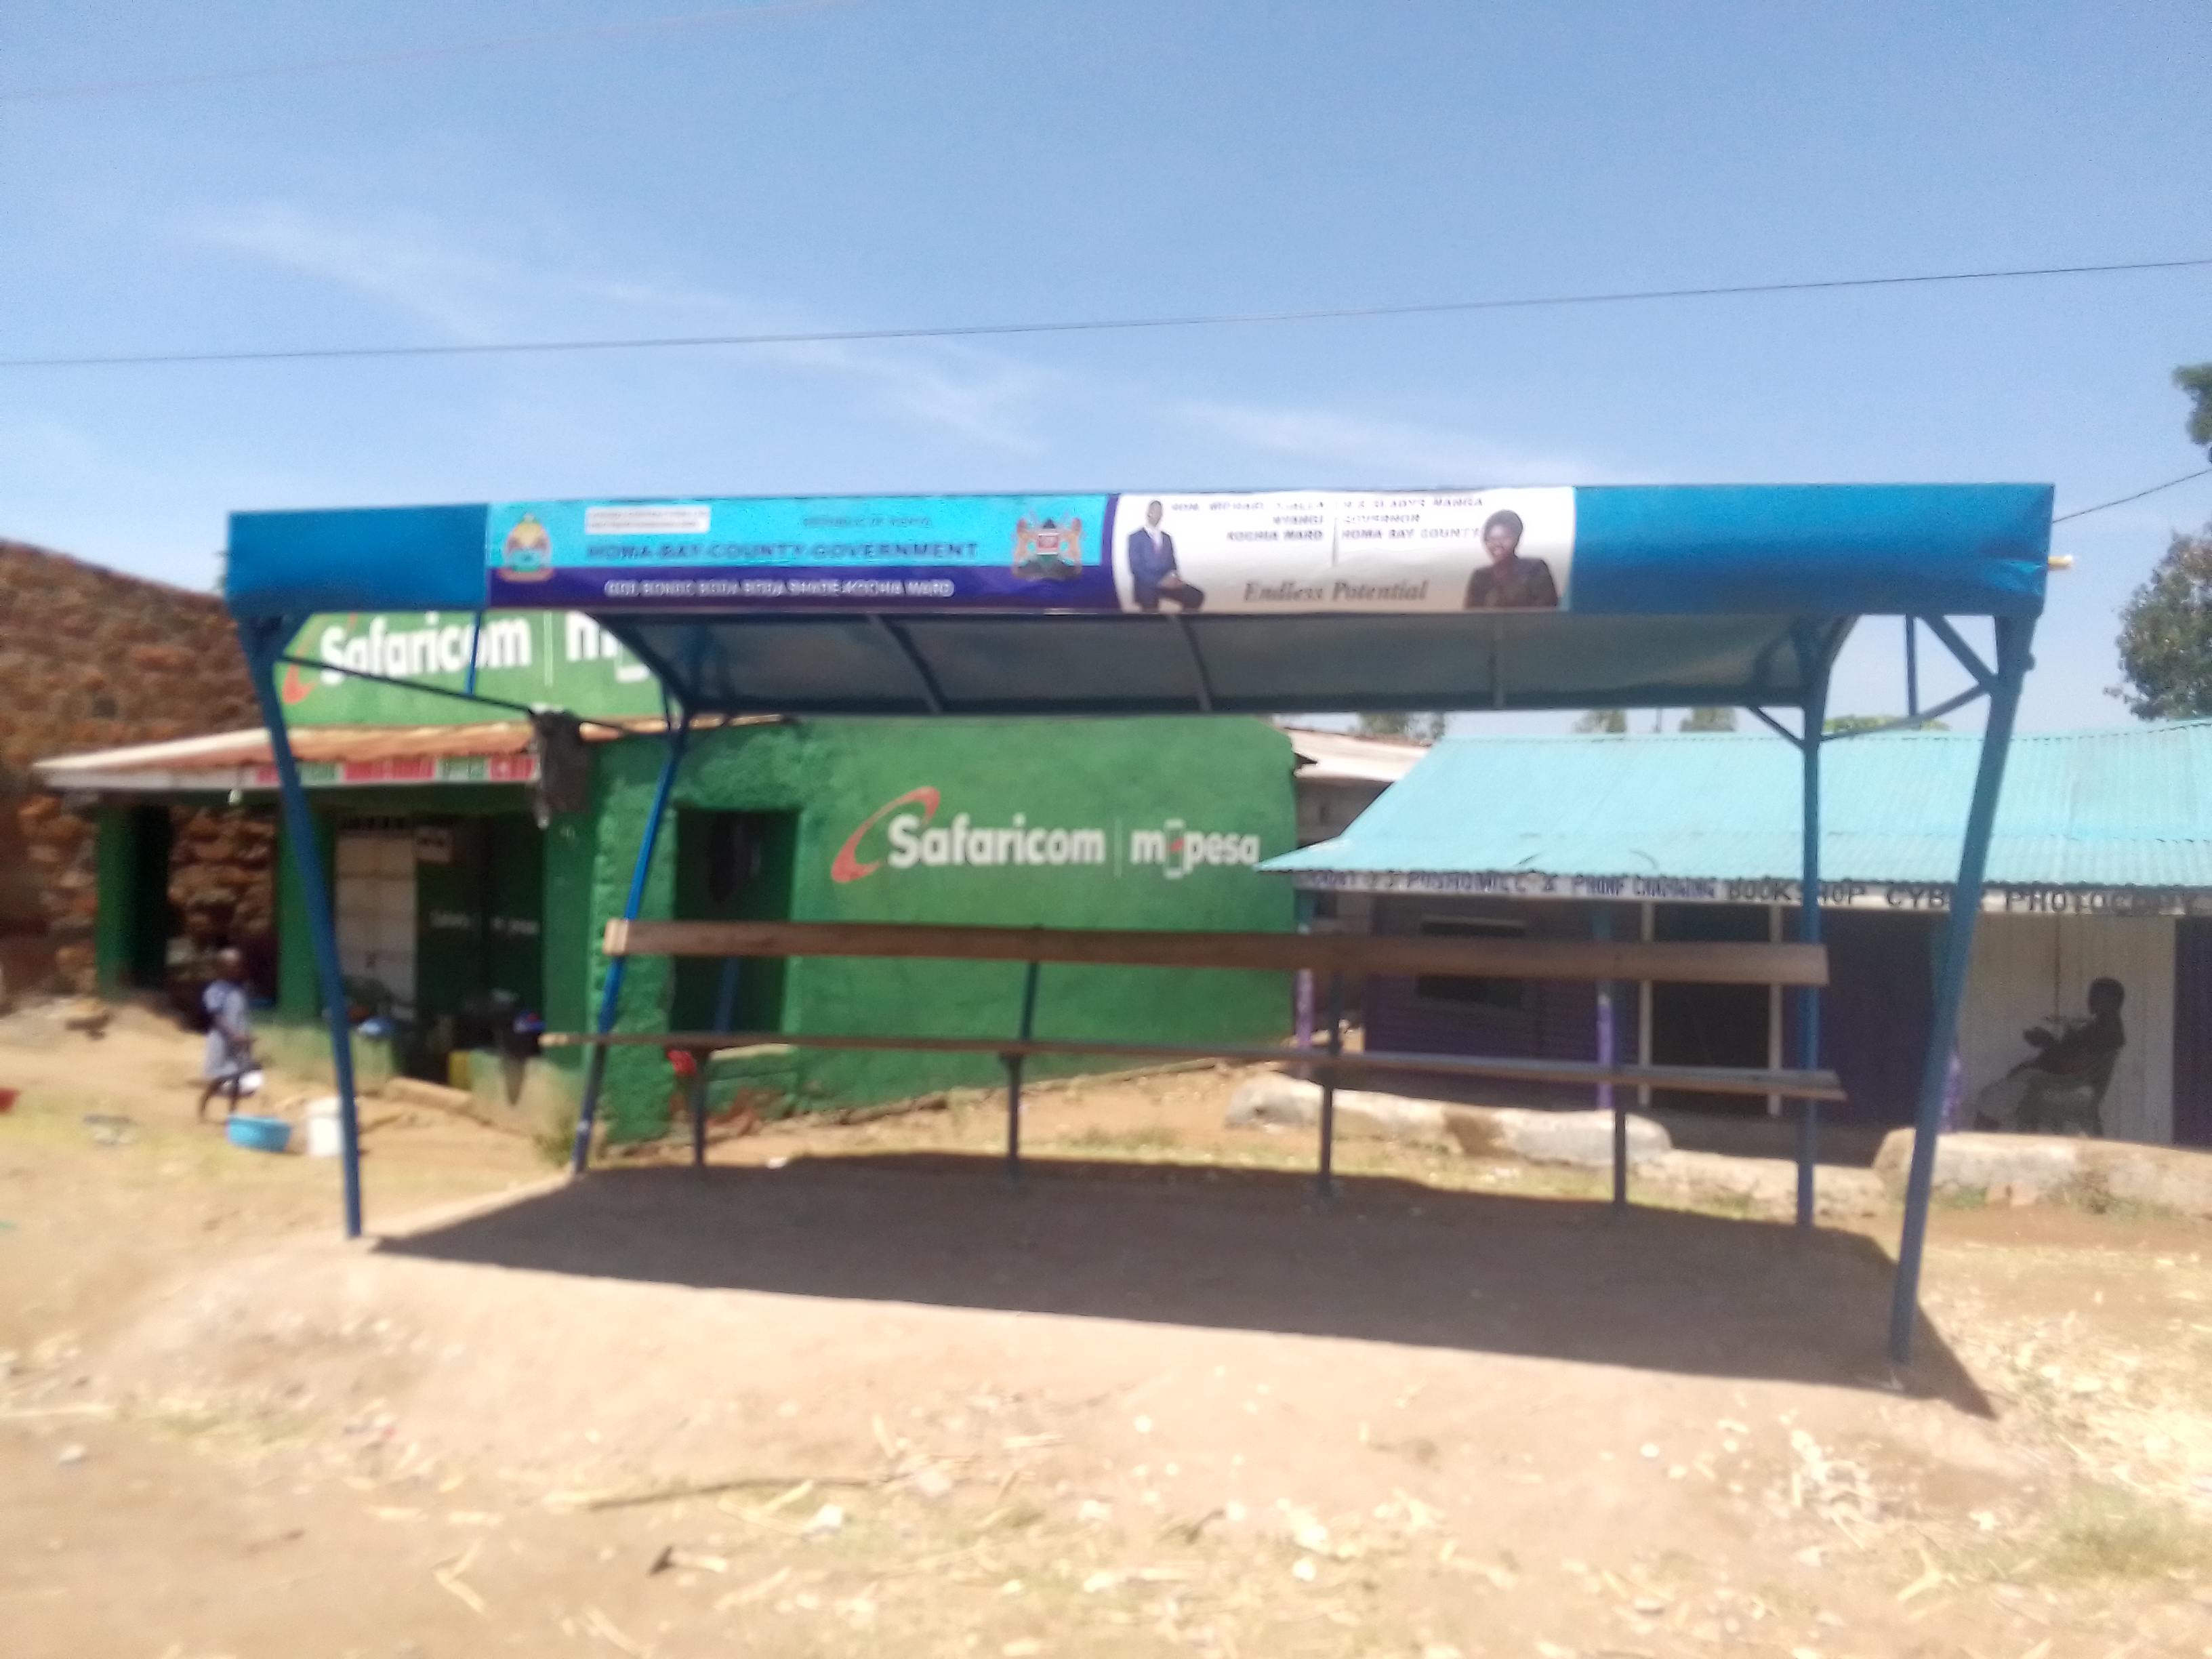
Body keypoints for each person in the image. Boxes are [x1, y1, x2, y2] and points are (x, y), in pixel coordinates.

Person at [1971, 977, 2125, 1135]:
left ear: (2112, 1001)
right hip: (2059, 1079)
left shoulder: (2107, 1032)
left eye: (2096, 996)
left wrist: (2048, 1042)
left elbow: (2071, 1067)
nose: (2090, 1000)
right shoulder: (2101, 1026)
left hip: (2064, 1085)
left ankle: (1979, 1144)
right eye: (2091, 996)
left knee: (1992, 1096)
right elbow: (2070, 1056)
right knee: (2001, 1089)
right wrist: (2042, 1052)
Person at [197, 949, 256, 1122]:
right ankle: (204, 1102)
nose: (237, 970)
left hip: (240, 1037)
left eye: (239, 966)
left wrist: (246, 1036)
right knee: (223, 1075)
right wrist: (234, 1034)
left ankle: (233, 1113)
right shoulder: (215, 990)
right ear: (221, 968)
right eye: (232, 966)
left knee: (238, 1076)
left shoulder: (240, 989)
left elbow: (242, 1015)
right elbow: (216, 1017)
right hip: (223, 1039)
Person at [1461, 509, 1559, 610]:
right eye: (1492, 539)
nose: (1497, 544)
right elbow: (1472, 615)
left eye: (1505, 538)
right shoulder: (1480, 577)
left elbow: (1547, 611)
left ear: (1517, 539)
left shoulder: (1536, 569)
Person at [1126, 500, 1206, 612]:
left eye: (1160, 513)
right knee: (1151, 610)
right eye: (1155, 512)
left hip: (1167, 581)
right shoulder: (1135, 537)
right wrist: (1159, 582)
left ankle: (1178, 622)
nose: (1158, 515)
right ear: (1148, 513)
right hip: (1147, 584)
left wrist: (1173, 576)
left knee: (1196, 596)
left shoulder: (1167, 538)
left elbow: (1172, 562)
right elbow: (1136, 568)